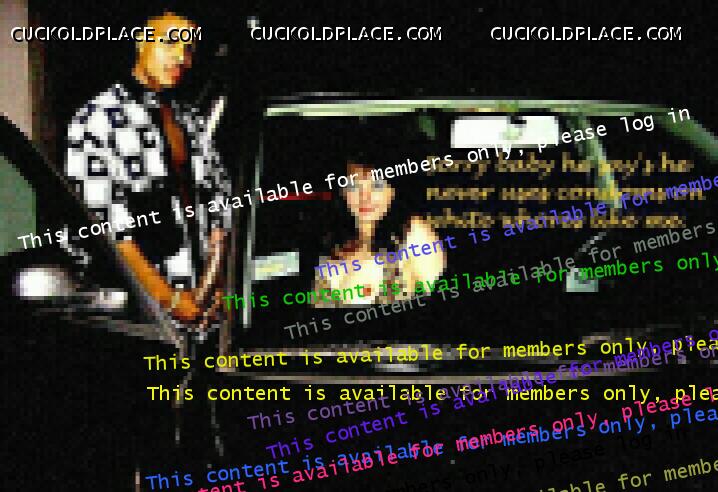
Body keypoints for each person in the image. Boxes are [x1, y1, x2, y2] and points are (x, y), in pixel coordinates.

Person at [64, 11, 231, 334]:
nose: (181, 58)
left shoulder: (190, 118)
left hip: (205, 317)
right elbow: (104, 231)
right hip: (142, 322)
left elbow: (220, 205)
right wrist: (168, 299)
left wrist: (220, 282)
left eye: (189, 49)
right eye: (170, 43)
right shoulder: (98, 119)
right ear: (140, 41)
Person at [314, 160, 446, 306]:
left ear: (392, 190)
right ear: (343, 192)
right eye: (354, 186)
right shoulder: (327, 240)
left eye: (376, 185)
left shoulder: (413, 232)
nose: (365, 197)